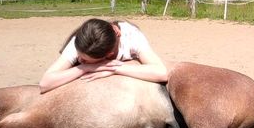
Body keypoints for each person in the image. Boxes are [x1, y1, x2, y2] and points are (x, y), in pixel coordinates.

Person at [39, 17, 168, 94]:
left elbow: (161, 72)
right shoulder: (81, 42)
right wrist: (85, 67)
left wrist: (114, 69)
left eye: (84, 60)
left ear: (109, 54)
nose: (79, 59)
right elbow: (45, 83)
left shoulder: (132, 37)